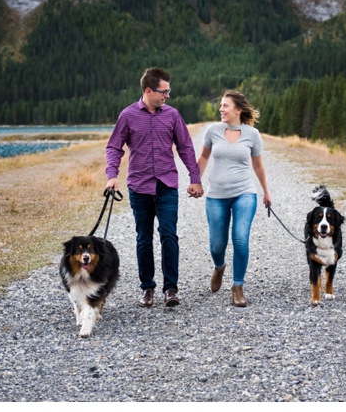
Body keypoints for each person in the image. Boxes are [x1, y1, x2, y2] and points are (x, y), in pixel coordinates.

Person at [106, 67, 203, 308]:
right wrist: (112, 175)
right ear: (149, 91)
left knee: (169, 234)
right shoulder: (127, 116)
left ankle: (171, 289)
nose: (167, 95)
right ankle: (147, 288)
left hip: (167, 184)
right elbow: (114, 147)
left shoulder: (172, 115)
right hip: (139, 186)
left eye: (169, 91)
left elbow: (186, 147)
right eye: (164, 91)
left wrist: (194, 177)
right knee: (143, 238)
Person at [197, 91, 271, 307]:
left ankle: (237, 286)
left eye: (225, 105)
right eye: (221, 105)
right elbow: (203, 157)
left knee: (240, 239)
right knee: (217, 244)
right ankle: (219, 267)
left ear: (238, 109)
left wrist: (266, 191)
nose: (221, 109)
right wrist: (195, 181)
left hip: (244, 193)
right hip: (216, 196)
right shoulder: (213, 131)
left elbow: (258, 165)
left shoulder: (252, 134)